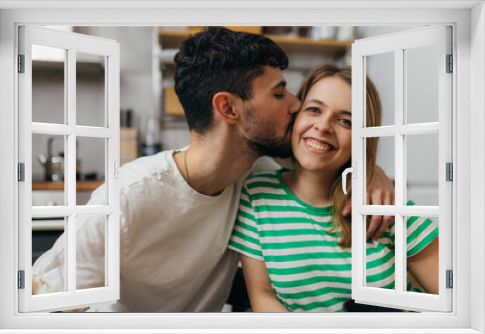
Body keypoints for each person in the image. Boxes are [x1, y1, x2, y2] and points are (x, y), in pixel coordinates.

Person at [32, 28, 395, 312]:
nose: (296, 105)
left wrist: (369, 170)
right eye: (279, 92)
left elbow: (326, 156)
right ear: (229, 108)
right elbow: (43, 300)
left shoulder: (254, 173)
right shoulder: (127, 198)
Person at [228, 64, 439, 312]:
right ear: (296, 116)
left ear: (364, 136)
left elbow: (453, 299)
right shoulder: (257, 194)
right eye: (314, 109)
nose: (324, 126)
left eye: (345, 121)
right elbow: (263, 297)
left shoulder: (385, 206)